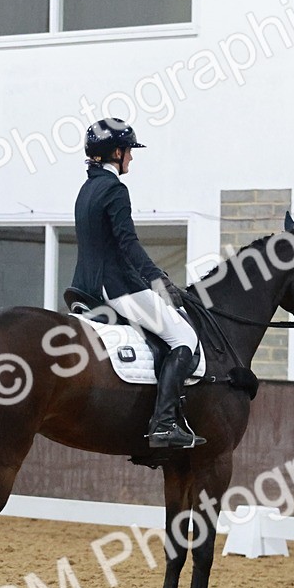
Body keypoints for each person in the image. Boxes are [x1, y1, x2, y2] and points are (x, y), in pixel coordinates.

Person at [70, 118, 205, 449]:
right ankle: (164, 423)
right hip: (114, 287)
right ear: (116, 152)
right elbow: (127, 244)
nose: (131, 158)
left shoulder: (86, 189)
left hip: (83, 285)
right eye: (129, 151)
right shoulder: (115, 189)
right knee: (183, 336)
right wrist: (158, 279)